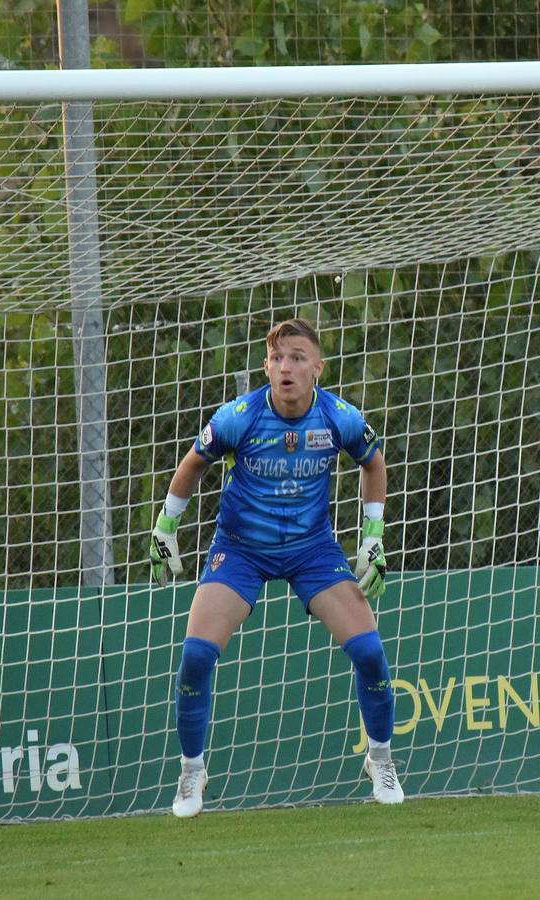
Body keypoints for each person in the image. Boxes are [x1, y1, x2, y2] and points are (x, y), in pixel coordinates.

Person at [148, 318, 400, 816]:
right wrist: (164, 527)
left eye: (298, 357)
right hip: (241, 549)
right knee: (196, 657)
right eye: (278, 358)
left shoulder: (338, 417)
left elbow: (374, 463)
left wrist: (372, 538)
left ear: (317, 369)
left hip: (313, 551)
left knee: (370, 653)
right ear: (266, 366)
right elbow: (194, 462)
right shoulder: (238, 416)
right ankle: (191, 773)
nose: (286, 367)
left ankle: (381, 759)